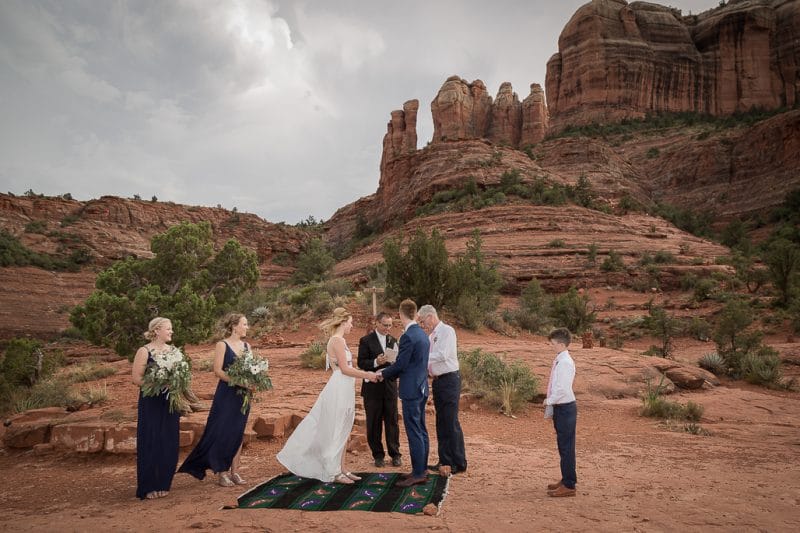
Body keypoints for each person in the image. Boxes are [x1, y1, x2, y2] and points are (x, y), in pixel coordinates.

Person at [277, 308, 378, 484]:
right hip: (339, 385)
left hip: (346, 386)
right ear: (343, 322)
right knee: (336, 427)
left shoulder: (342, 340)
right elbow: (345, 369)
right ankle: (333, 472)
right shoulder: (336, 341)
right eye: (351, 322)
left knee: (344, 427)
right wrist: (368, 375)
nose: (352, 325)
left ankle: (342, 469)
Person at [178, 313, 252, 487]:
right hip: (226, 393)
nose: (247, 327)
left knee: (238, 431)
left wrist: (253, 381)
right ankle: (222, 472)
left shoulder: (247, 346)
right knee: (223, 431)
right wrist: (237, 381)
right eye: (244, 324)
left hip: (244, 395)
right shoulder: (222, 345)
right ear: (234, 326)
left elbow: (251, 369)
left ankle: (235, 472)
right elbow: (217, 370)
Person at [377, 299, 430, 487]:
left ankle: (418, 474)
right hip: (422, 387)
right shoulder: (423, 335)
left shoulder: (408, 336)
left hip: (411, 390)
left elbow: (401, 365)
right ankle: (421, 469)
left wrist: (382, 374)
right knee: (421, 429)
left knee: (414, 430)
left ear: (400, 315)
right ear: (415, 314)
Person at [132, 317, 180, 500]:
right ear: (157, 330)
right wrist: (158, 384)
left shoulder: (174, 351)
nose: (171, 332)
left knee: (169, 441)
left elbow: (180, 375)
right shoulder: (144, 351)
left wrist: (176, 383)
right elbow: (136, 378)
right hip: (151, 401)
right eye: (169, 329)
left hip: (169, 401)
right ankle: (149, 485)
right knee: (151, 440)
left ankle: (164, 482)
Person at [418, 305, 467, 474]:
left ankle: (457, 461)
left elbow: (443, 355)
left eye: (423, 321)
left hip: (449, 380)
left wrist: (420, 357)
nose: (423, 325)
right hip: (438, 381)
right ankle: (445, 459)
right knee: (442, 421)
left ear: (431, 316)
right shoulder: (432, 335)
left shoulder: (447, 331)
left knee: (450, 421)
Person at [357, 312, 402, 468]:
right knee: (374, 423)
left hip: (389, 387)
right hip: (372, 389)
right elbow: (361, 363)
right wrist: (377, 361)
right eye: (385, 325)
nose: (387, 328)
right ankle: (378, 455)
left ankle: (395, 454)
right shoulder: (366, 341)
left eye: (390, 325)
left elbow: (398, 363)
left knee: (392, 421)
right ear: (377, 323)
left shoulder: (393, 340)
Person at [544, 327, 577, 497]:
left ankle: (569, 484)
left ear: (562, 344)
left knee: (566, 447)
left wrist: (549, 401)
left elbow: (562, 389)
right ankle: (566, 479)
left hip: (565, 407)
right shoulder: (560, 359)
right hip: (562, 407)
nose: (552, 346)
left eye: (553, 344)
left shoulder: (564, 362)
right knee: (564, 446)